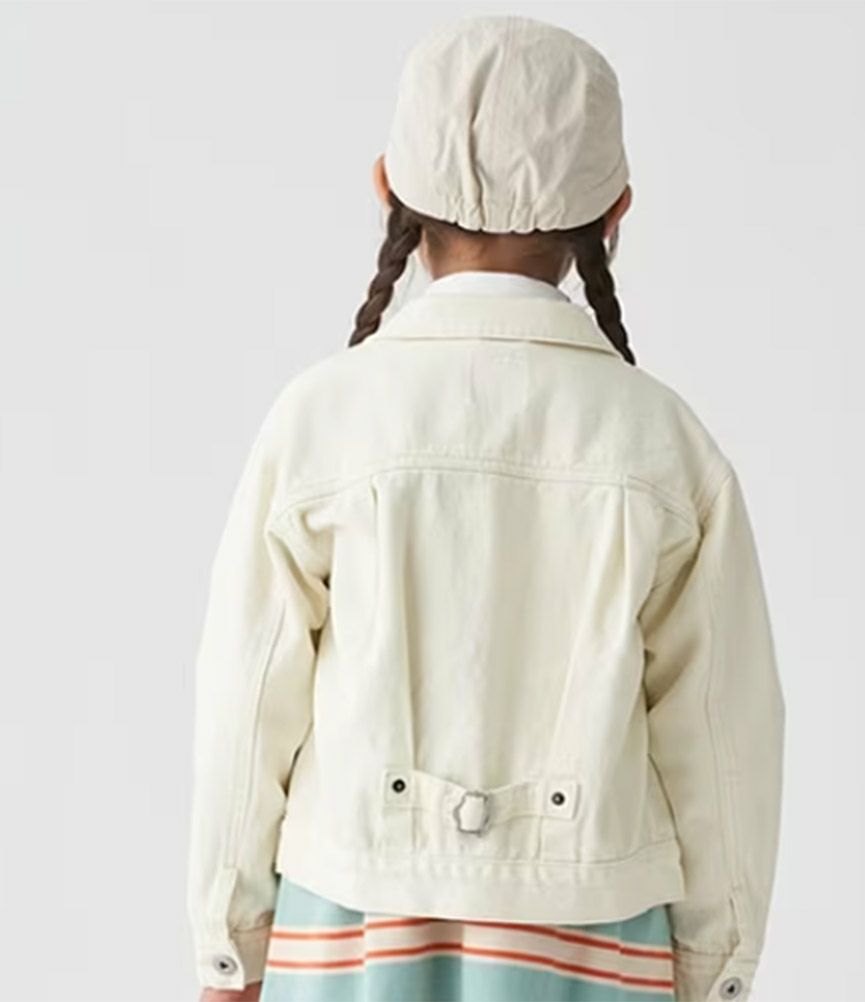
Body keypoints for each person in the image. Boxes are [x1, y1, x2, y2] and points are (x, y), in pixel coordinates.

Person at [186, 14, 785, 1002]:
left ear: (389, 188)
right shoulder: (667, 445)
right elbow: (724, 733)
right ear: (614, 212)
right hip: (595, 936)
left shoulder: (322, 419)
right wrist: (716, 966)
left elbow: (246, 701)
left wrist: (230, 940)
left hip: (349, 927)